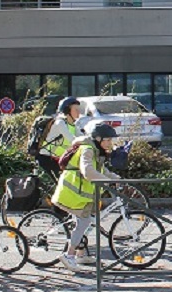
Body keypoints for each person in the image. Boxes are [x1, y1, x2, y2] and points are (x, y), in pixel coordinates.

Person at [51, 122, 121, 271]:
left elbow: (102, 170)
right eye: (107, 140)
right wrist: (108, 181)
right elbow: (88, 171)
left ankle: (80, 254)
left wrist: (116, 178)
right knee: (84, 221)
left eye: (111, 140)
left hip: (81, 195)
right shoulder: (87, 149)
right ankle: (69, 255)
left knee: (86, 222)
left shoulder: (96, 150)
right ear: (98, 139)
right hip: (73, 193)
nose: (110, 143)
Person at [37, 97, 82, 181]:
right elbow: (73, 140)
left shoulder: (73, 125)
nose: (78, 112)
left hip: (58, 158)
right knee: (62, 182)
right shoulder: (60, 123)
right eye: (76, 109)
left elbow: (83, 137)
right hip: (47, 158)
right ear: (67, 110)